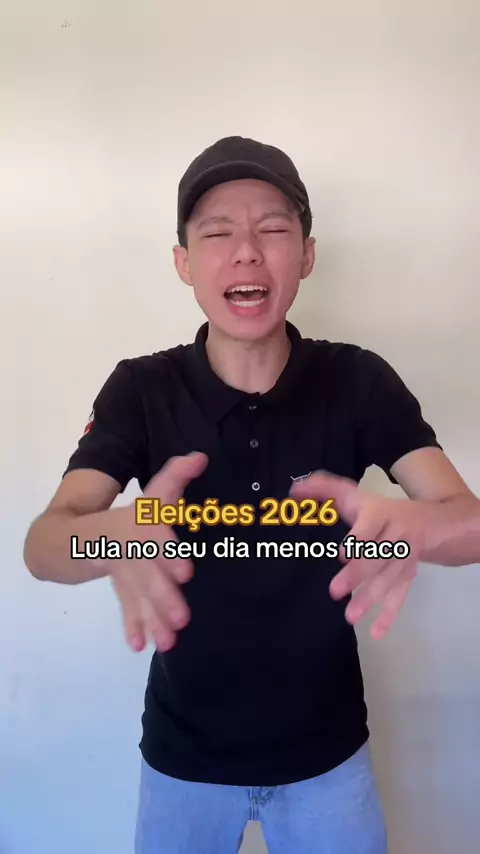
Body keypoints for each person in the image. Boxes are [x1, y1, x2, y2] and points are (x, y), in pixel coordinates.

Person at [23, 136, 480, 854]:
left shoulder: (358, 381)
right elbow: (45, 546)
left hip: (329, 760)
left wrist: (418, 528)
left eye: (272, 229)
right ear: (183, 262)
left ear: (307, 254)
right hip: (183, 762)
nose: (246, 252)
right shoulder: (141, 389)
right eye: (217, 234)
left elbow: (471, 525)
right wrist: (111, 536)